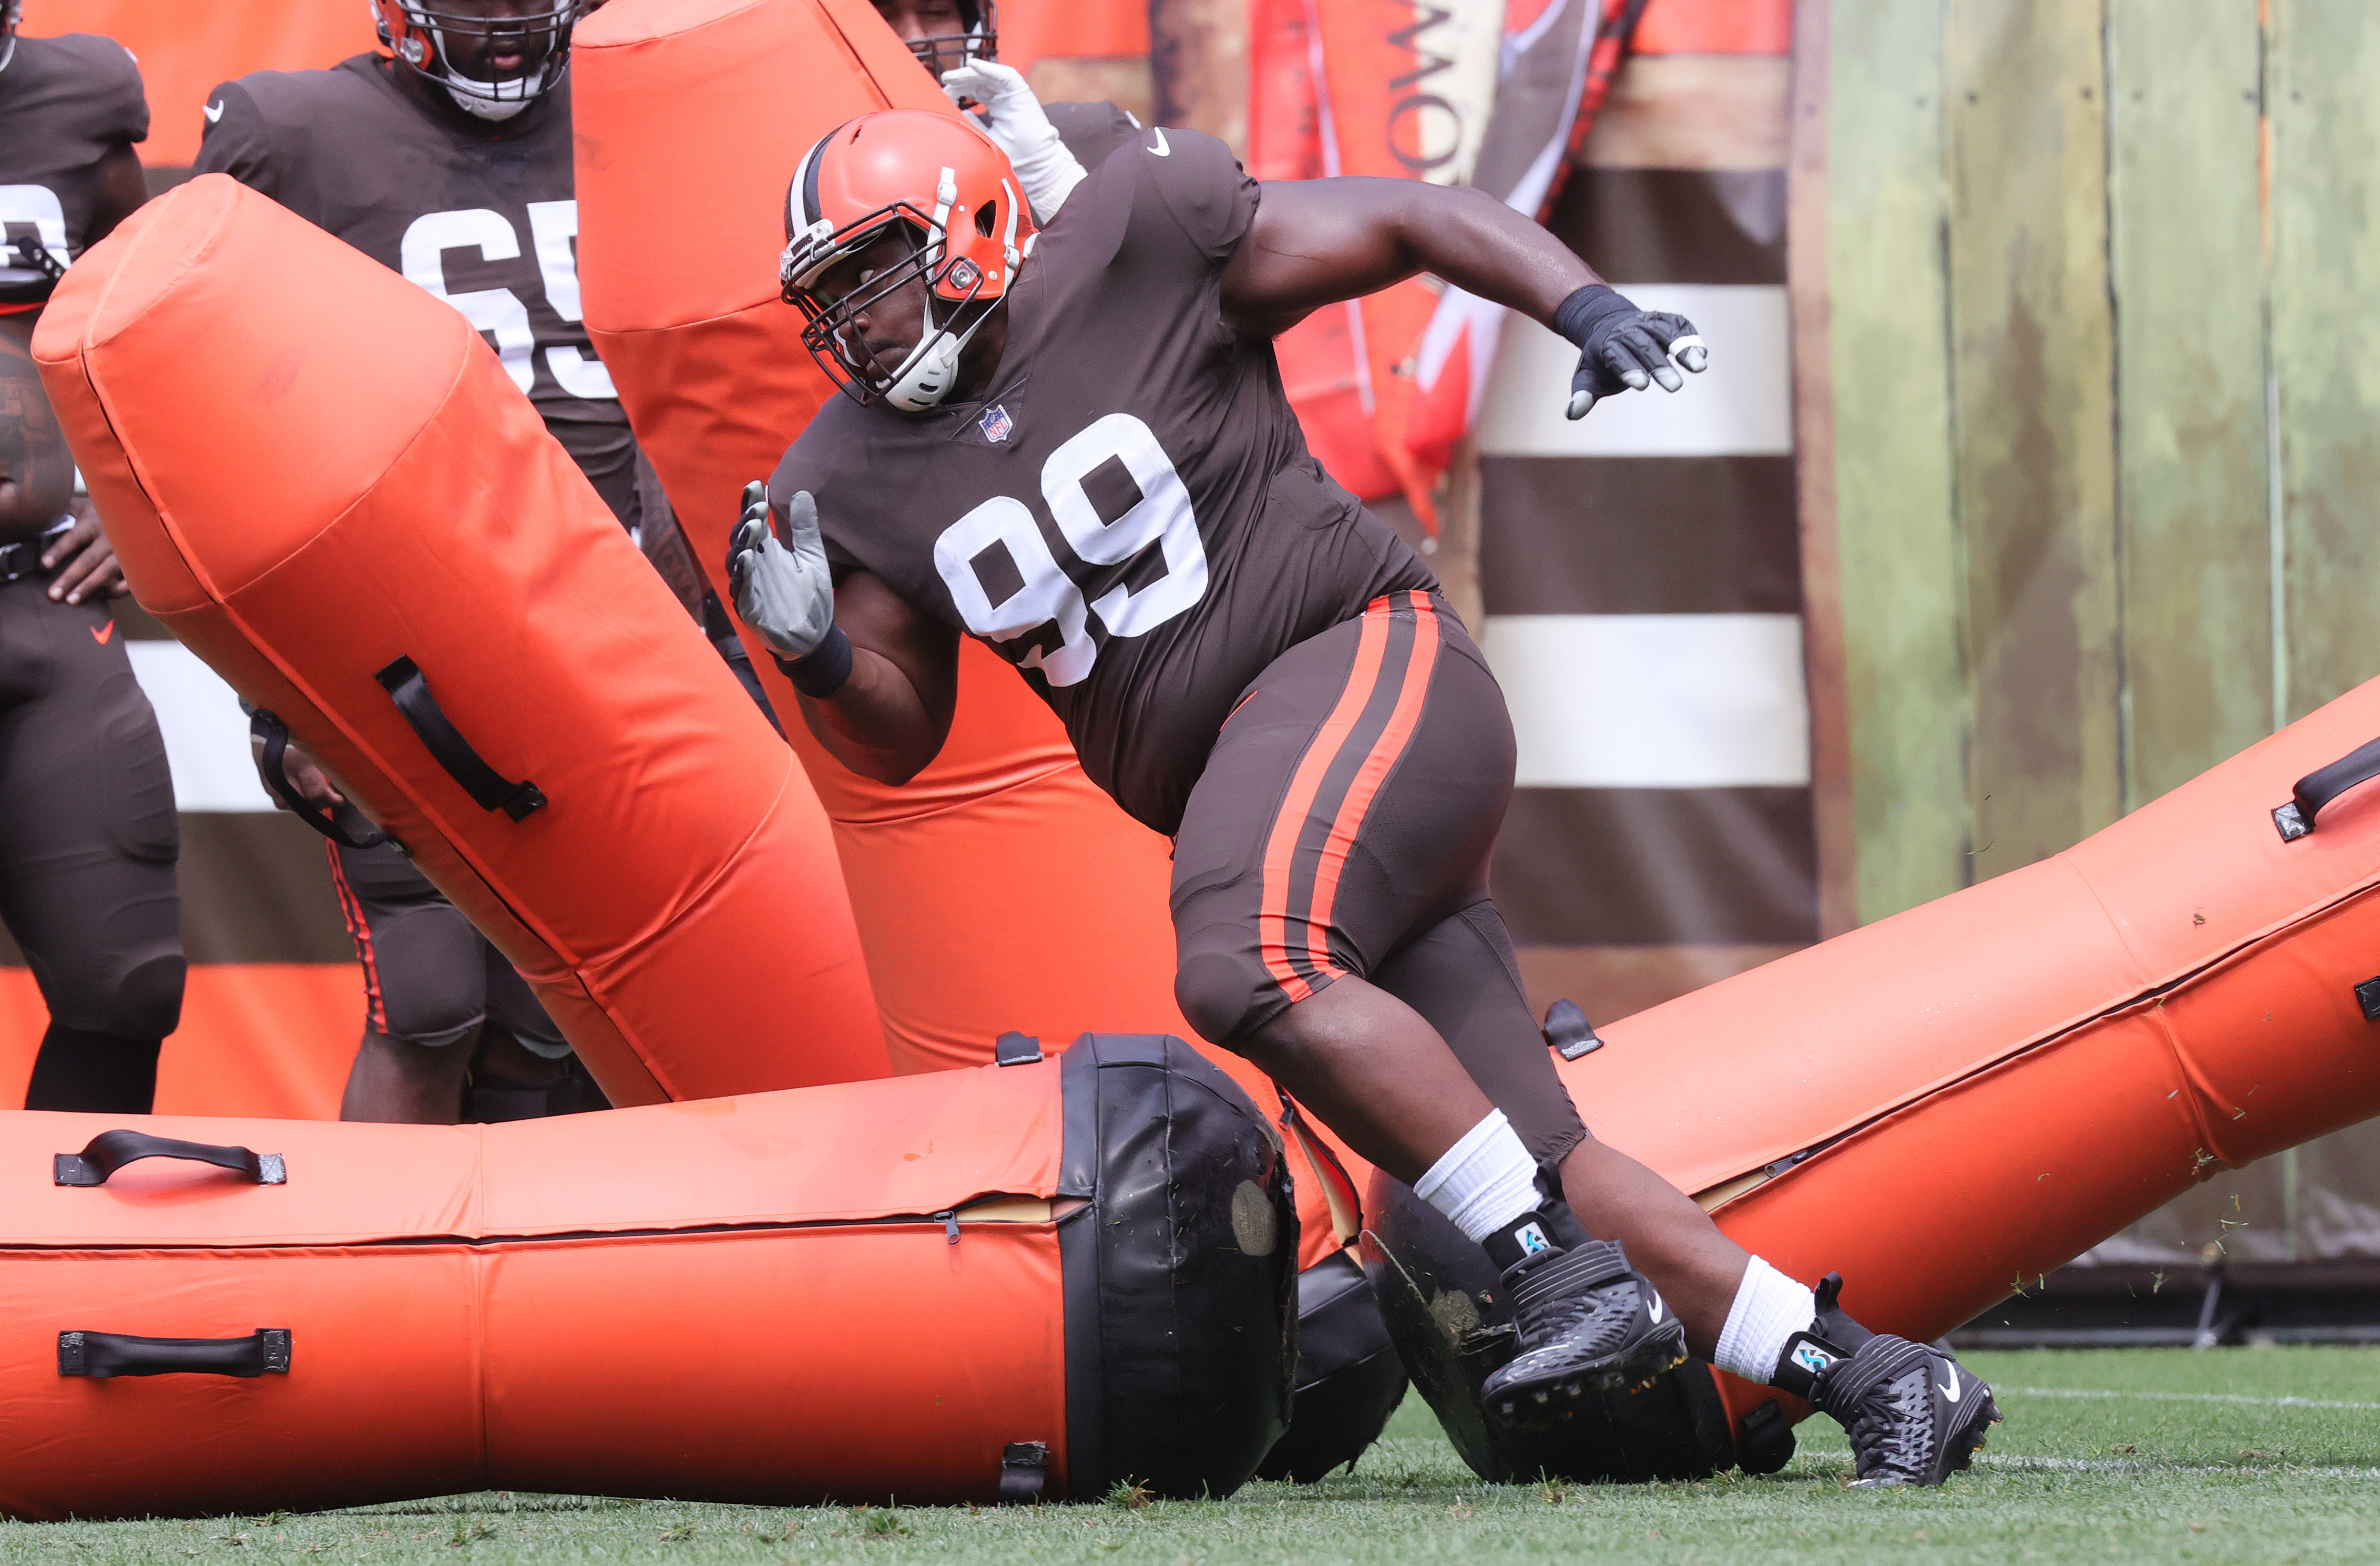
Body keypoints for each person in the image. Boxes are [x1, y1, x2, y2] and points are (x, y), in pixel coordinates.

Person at [730, 110, 2002, 1487]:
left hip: (1362, 659)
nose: (855, 324)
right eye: (828, 299)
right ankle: (1880, 1374)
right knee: (1539, 1150)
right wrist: (814, 657)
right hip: (1279, 781)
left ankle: (1556, 1276)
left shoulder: (1134, 240)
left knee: (1243, 955)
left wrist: (1578, 302)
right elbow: (897, 734)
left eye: (876, 273)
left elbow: (1406, 217)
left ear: (970, 230)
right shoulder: (845, 477)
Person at [194, 0, 707, 1123]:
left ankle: (531, 1288)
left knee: (567, 1015)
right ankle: (369, 1292)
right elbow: (211, 415)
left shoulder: (637, 106)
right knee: (430, 1009)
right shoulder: (294, 132)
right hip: (402, 636)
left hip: (615, 629)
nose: (512, 32)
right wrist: (283, 698)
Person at [0, 3, 187, 1114]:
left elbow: (158, 313)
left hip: (40, 598)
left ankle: (47, 1272)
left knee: (127, 982)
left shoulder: (75, 103)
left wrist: (136, 500)